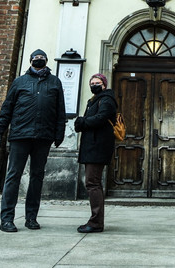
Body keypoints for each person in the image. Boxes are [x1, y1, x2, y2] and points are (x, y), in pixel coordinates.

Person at [0, 48, 66, 233]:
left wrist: (60, 133)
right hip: (20, 135)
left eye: (42, 57)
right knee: (13, 176)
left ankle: (31, 217)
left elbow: (60, 111)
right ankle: (7, 219)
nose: (39, 59)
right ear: (31, 60)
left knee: (37, 178)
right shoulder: (20, 82)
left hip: (43, 137)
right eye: (36, 57)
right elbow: (7, 108)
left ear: (47, 61)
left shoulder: (55, 82)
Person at [73, 73, 118, 233]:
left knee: (93, 183)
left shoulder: (106, 100)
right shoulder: (94, 100)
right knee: (93, 183)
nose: (94, 85)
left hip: (98, 147)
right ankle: (96, 220)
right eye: (92, 82)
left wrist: (82, 122)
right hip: (91, 146)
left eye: (97, 82)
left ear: (104, 85)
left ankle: (96, 222)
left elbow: (101, 118)